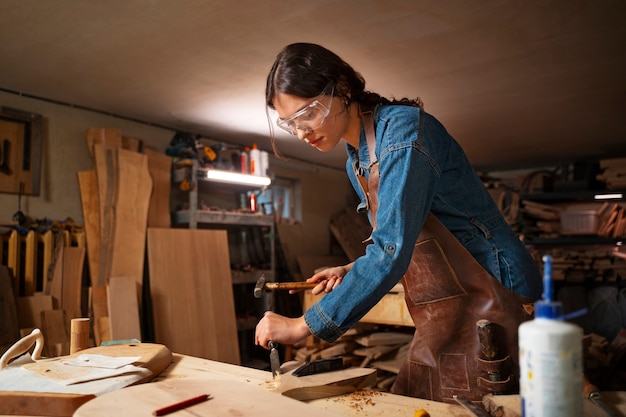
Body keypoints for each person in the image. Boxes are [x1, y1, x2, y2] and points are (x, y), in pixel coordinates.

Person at [255, 42, 542, 401]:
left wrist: (302, 325)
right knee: (414, 397)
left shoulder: (403, 136)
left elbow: (391, 250)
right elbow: (400, 236)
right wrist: (352, 267)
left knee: (491, 403)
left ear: (342, 89)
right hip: (444, 308)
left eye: (307, 113)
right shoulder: (356, 160)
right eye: (290, 123)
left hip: (494, 291)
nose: (301, 132)